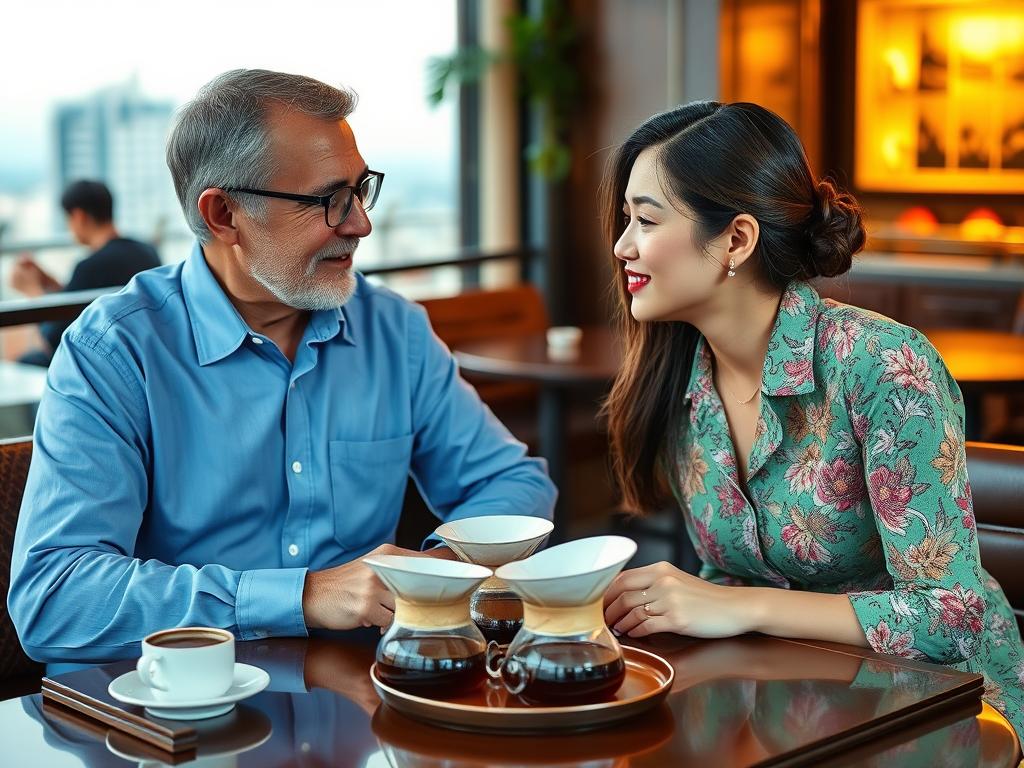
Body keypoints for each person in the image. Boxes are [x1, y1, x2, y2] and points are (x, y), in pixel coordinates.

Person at [8, 69, 555, 663]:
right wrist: (303, 596)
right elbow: (55, 598)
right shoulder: (115, 352)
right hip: (185, 722)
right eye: (328, 200)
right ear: (223, 216)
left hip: (366, 705)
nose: (360, 223)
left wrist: (440, 571)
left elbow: (514, 483)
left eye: (360, 189)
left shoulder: (393, 329)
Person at [599, 101, 1023, 741]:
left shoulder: (882, 367)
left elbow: (954, 614)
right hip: (786, 706)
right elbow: (729, 580)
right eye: (625, 218)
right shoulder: (674, 378)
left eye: (646, 221)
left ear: (736, 240)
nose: (621, 245)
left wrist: (737, 607)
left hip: (945, 711)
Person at [9, 180, 161, 366]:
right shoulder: (146, 250)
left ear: (79, 216)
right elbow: (77, 297)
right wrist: (49, 282)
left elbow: (52, 340)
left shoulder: (90, 266)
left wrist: (32, 292)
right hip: (144, 352)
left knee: (25, 360)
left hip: (103, 361)